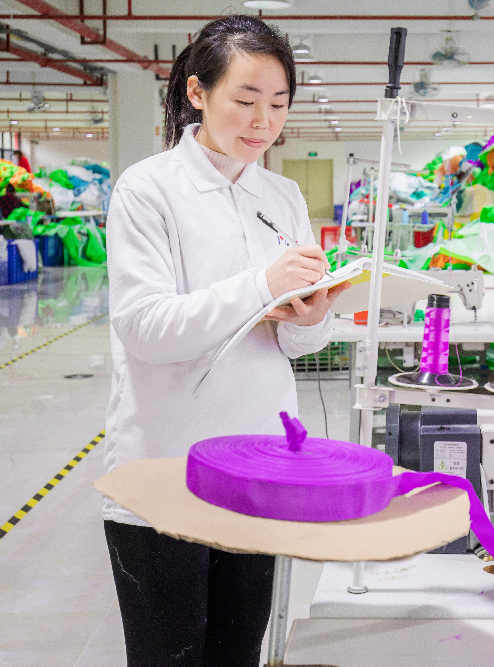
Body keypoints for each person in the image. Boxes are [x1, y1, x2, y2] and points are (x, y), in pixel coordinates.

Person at [102, 15, 346, 666]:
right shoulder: (148, 191)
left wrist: (311, 315)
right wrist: (259, 284)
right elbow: (145, 327)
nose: (262, 120)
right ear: (197, 93)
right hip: (165, 472)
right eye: (244, 100)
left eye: (278, 103)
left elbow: (295, 346)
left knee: (237, 652)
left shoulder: (283, 195)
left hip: (258, 473)